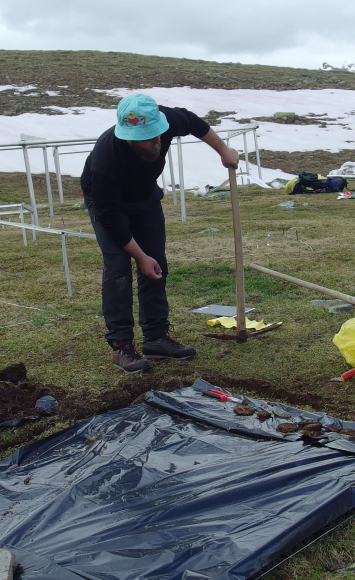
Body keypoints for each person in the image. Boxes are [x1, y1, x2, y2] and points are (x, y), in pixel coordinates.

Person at [81, 93, 239, 372]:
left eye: (158, 134)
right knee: (118, 269)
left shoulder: (166, 120)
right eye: (147, 138)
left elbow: (194, 123)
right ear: (129, 138)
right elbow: (111, 222)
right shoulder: (106, 159)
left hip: (145, 196)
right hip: (109, 206)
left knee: (157, 264)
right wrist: (140, 256)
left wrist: (223, 150)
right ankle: (121, 345)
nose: (157, 141)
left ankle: (155, 337)